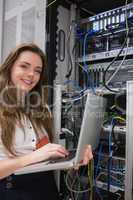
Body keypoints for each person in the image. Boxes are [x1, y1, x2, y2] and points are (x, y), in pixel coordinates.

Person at [0, 43, 93, 200]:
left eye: (37, 71)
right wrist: (34, 157)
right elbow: (37, 156)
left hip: (45, 185)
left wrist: (71, 160)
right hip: (11, 188)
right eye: (24, 66)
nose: (31, 75)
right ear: (9, 67)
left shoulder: (41, 109)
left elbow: (44, 152)